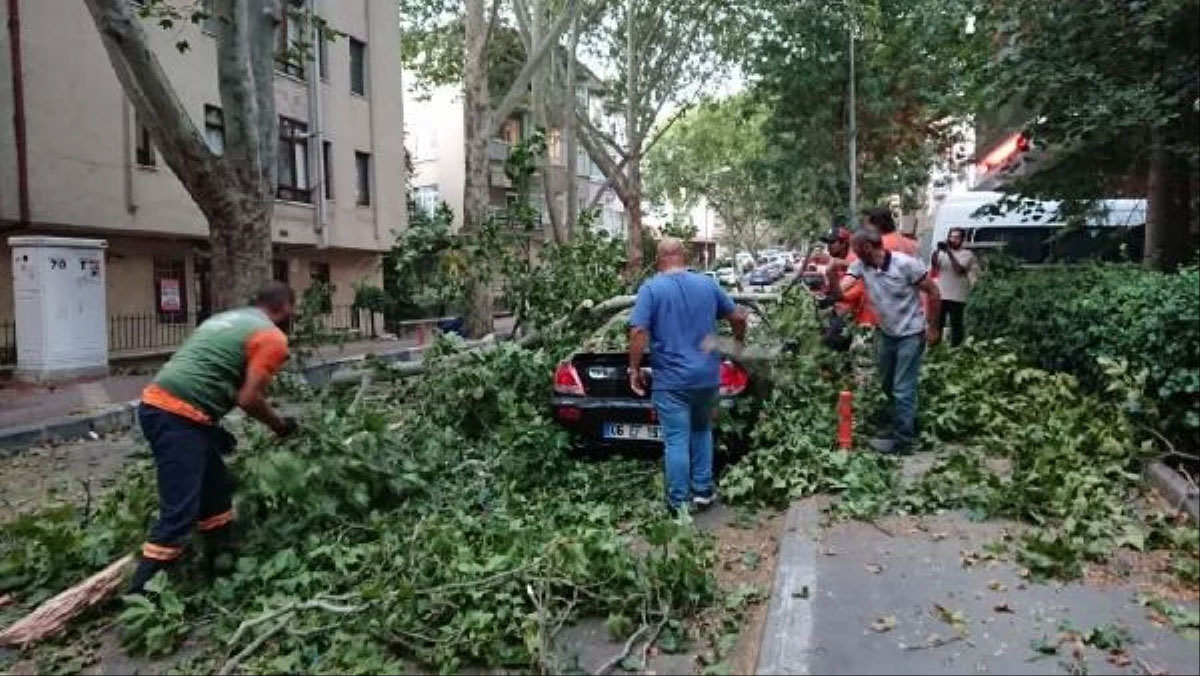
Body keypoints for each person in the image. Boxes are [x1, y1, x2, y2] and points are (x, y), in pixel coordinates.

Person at [130, 282, 298, 593]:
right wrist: (279, 425)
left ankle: (220, 566)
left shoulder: (225, 320)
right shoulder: (271, 336)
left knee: (216, 493)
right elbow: (248, 398)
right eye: (293, 311)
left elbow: (212, 372)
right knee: (180, 511)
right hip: (178, 416)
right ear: (285, 308)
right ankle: (139, 596)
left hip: (164, 408)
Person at [629, 238, 748, 514]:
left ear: (659, 259)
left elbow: (637, 332)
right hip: (707, 378)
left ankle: (680, 502)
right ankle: (703, 491)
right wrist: (738, 345)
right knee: (702, 430)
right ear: (684, 256)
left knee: (676, 440)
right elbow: (738, 318)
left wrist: (634, 369)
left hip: (672, 381)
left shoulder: (651, 289)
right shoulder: (707, 284)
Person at [826, 229, 941, 455]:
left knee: (902, 388)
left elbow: (933, 291)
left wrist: (934, 326)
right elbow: (840, 294)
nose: (853, 254)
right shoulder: (861, 267)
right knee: (887, 384)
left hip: (911, 333)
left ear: (867, 248)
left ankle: (903, 442)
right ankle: (903, 424)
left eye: (856, 249)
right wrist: (831, 274)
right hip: (886, 333)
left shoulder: (906, 265)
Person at [930, 227, 979, 347]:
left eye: (957, 237)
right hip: (941, 294)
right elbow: (935, 268)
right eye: (951, 237)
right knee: (937, 324)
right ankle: (935, 348)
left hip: (957, 296)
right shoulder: (942, 253)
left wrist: (949, 253)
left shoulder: (967, 254)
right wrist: (936, 252)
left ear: (962, 239)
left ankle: (956, 350)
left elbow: (959, 270)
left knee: (956, 325)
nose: (953, 240)